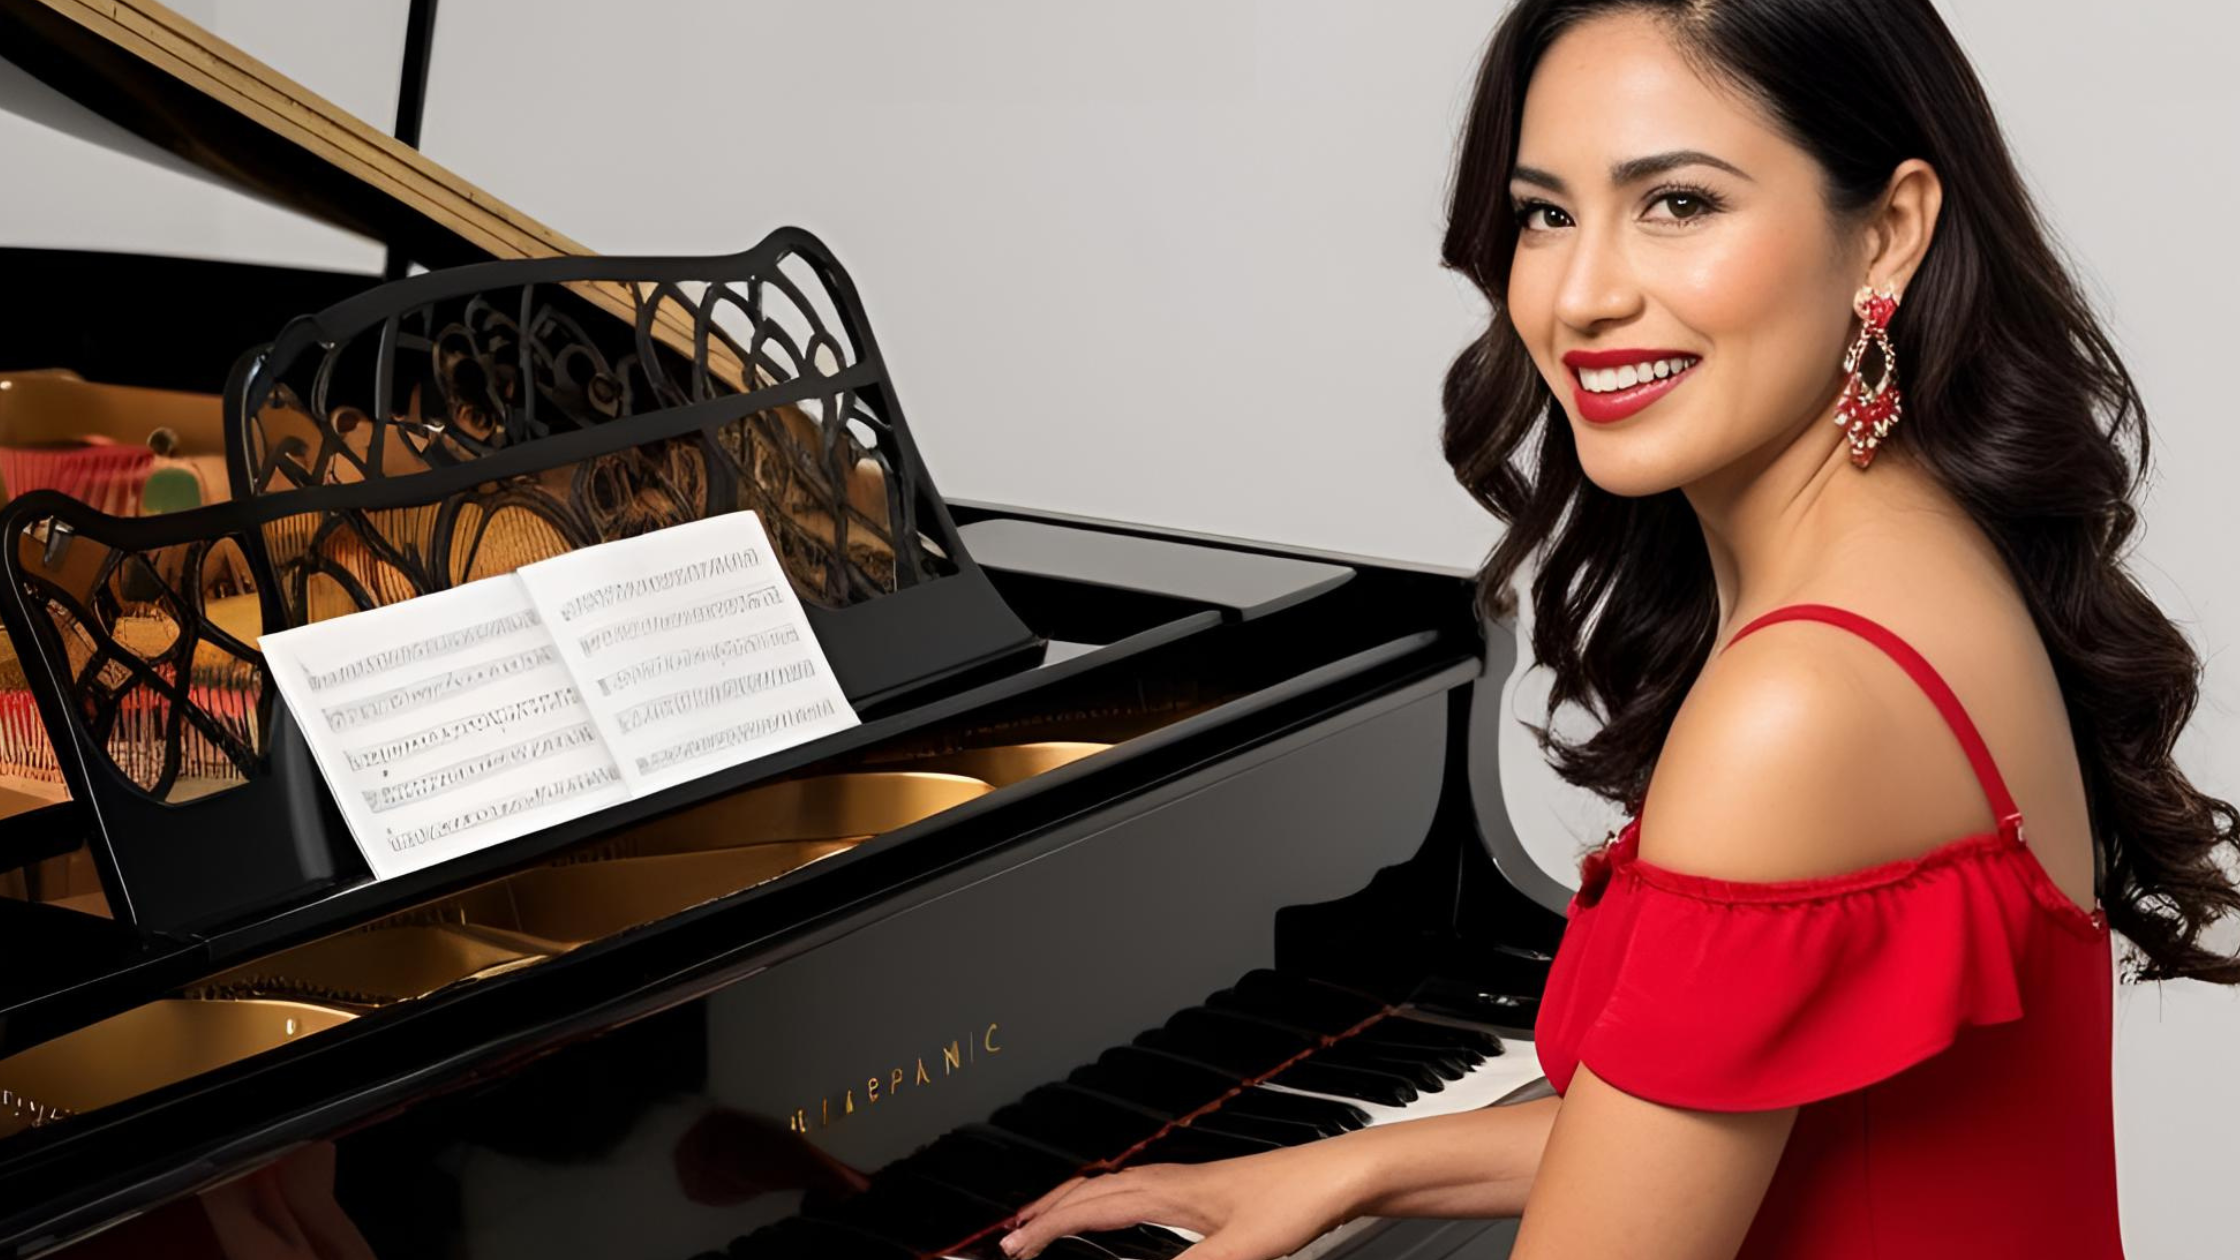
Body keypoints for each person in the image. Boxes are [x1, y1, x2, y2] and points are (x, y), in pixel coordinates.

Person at [996, 1, 2240, 1257]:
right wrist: (1351, 1165)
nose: (1580, 295)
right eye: (1544, 214)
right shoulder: (1926, 563)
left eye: (1678, 203)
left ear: (1885, 233)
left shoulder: (1801, 702)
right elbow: (1767, 1115)